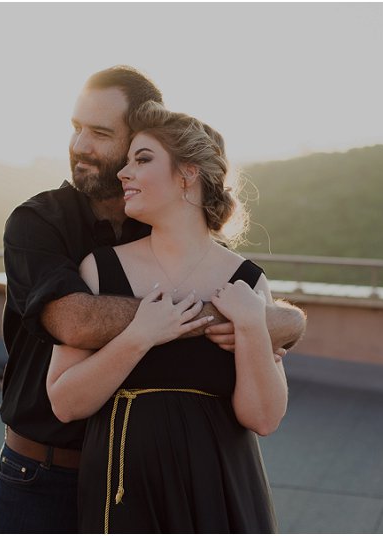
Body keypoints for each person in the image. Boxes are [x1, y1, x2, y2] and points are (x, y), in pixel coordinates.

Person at [0, 65, 306, 533]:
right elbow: (74, 322)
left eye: (99, 132)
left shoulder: (166, 225)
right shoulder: (40, 222)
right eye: (76, 129)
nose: (80, 145)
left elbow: (264, 391)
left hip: (184, 481)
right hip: (43, 472)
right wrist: (216, 320)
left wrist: (270, 322)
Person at [47, 101, 286, 533]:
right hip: (123, 492)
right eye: (127, 161)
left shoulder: (248, 281)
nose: (124, 173)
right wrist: (139, 335)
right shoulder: (99, 269)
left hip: (220, 491)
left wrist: (252, 325)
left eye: (142, 159)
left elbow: (264, 418)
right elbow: (64, 403)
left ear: (187, 173)